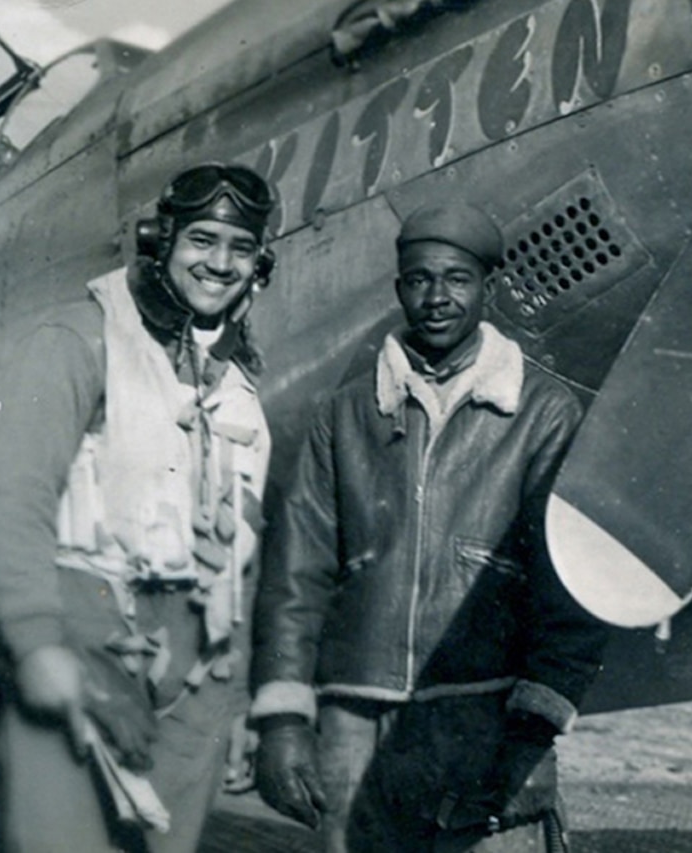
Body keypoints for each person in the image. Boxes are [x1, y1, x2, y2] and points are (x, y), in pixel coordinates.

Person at [250, 202, 608, 852]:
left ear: (488, 288)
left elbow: (572, 587)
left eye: (457, 279)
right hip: (355, 725)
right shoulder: (346, 414)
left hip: (486, 718)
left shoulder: (545, 413)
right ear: (399, 289)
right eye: (418, 280)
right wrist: (281, 720)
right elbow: (295, 576)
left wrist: (534, 731)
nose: (436, 297)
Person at [0, 163, 277, 852]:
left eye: (241, 248)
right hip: (85, 640)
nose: (220, 263)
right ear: (161, 239)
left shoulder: (239, 387)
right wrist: (37, 640)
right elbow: (15, 492)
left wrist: (233, 703)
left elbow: (244, 554)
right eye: (202, 239)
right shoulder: (76, 339)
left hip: (197, 676)